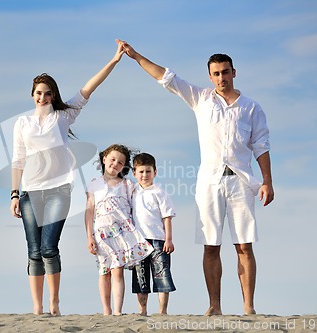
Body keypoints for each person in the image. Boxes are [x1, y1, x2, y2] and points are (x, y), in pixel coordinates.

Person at [117, 39, 274, 316]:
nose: (221, 77)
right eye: (216, 73)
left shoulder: (251, 108)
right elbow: (166, 77)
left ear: (234, 72)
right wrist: (135, 55)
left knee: (244, 245)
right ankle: (215, 305)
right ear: (210, 76)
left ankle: (248, 306)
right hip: (210, 181)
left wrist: (267, 181)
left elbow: (261, 145)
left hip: (240, 181)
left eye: (225, 72)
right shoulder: (201, 98)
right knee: (211, 245)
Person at [10, 42, 125, 316]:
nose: (43, 97)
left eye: (47, 93)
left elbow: (89, 88)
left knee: (50, 248)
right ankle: (37, 307)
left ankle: (54, 303)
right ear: (32, 95)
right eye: (38, 93)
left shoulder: (64, 116)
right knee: (34, 251)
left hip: (58, 191)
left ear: (53, 96)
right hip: (29, 193)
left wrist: (114, 60)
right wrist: (14, 194)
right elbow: (18, 160)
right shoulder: (22, 124)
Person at [84, 144, 154, 316]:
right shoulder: (94, 184)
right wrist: (89, 237)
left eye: (120, 162)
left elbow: (138, 205)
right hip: (101, 235)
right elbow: (89, 211)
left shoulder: (127, 184)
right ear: (104, 159)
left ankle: (117, 311)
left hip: (122, 234)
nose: (115, 164)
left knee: (117, 271)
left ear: (124, 166)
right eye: (113, 159)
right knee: (104, 271)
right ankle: (106, 310)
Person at [131, 152, 176, 315]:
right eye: (141, 171)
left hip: (158, 240)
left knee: (162, 275)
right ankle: (142, 310)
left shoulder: (160, 192)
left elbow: (167, 217)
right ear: (134, 173)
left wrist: (168, 239)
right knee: (140, 277)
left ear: (155, 172)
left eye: (148, 171)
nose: (144, 175)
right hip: (138, 242)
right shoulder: (132, 191)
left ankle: (162, 311)